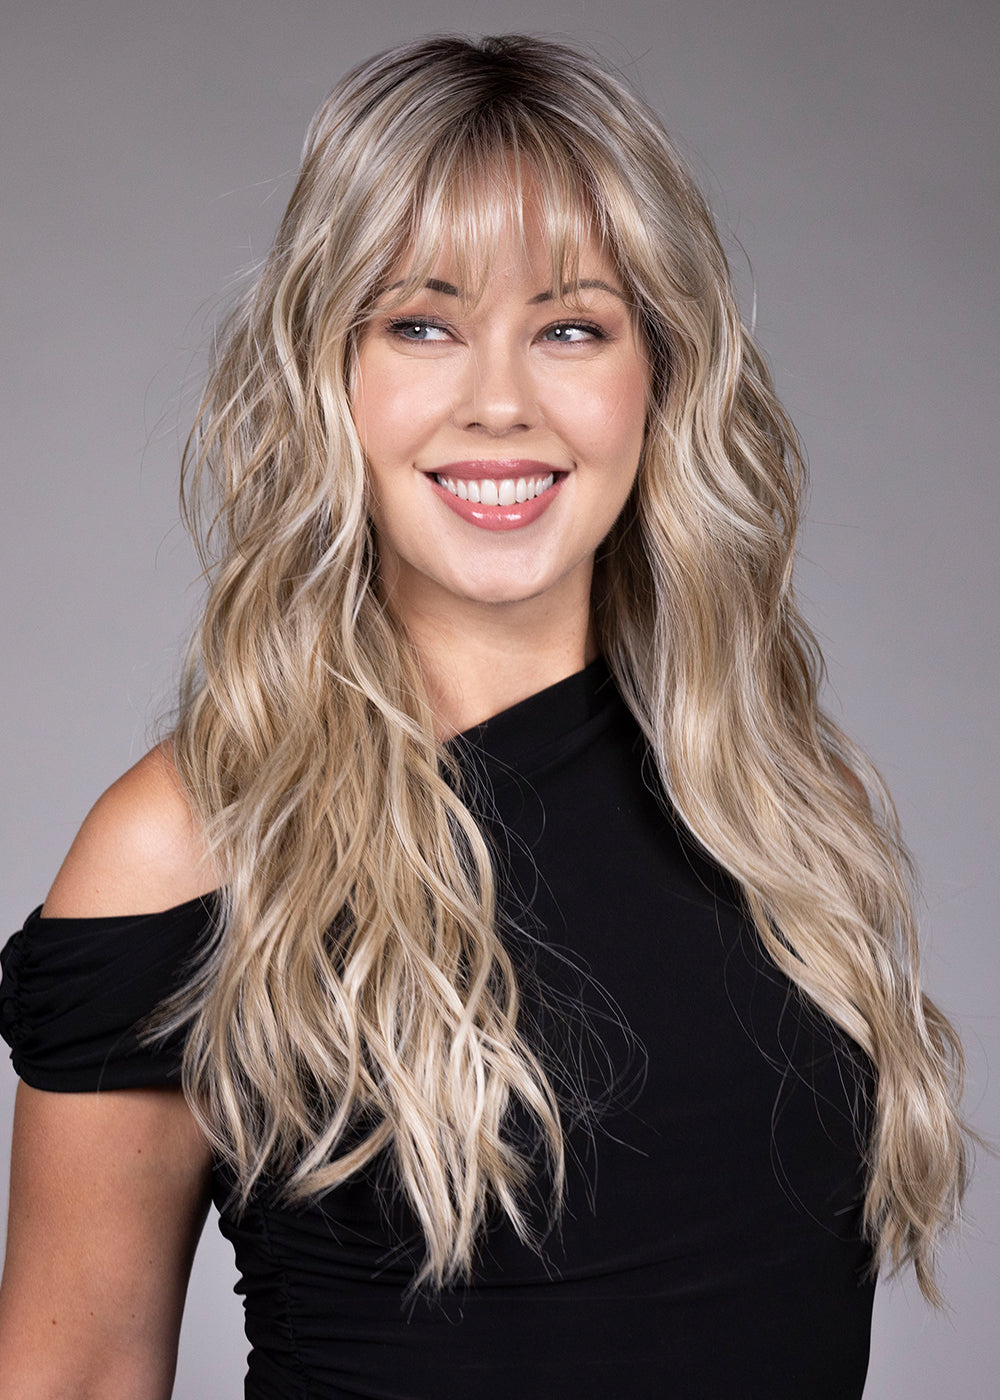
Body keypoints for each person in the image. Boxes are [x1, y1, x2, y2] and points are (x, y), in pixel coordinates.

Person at [0, 33, 971, 1400]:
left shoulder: (785, 808)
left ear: (660, 374)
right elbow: (77, 1374)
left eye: (571, 327)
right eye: (423, 324)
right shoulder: (185, 846)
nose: (501, 402)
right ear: (329, 371)